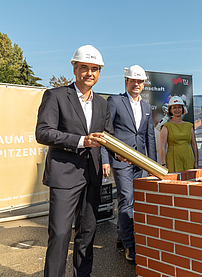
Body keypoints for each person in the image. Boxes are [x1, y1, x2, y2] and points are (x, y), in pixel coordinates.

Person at [35, 45, 115, 277]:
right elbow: (43, 132)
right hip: (64, 176)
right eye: (84, 68)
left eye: (94, 69)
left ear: (99, 72)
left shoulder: (102, 103)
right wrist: (81, 141)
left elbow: (107, 138)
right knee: (60, 234)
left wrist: (119, 154)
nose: (89, 73)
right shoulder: (56, 96)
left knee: (87, 234)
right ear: (74, 68)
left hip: (92, 175)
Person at [101, 65, 157, 264]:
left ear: (143, 84)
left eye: (140, 81)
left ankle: (120, 235)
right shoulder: (115, 101)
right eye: (133, 80)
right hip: (121, 160)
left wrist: (153, 166)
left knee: (128, 201)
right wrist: (106, 159)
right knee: (127, 198)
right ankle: (130, 246)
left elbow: (149, 137)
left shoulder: (147, 107)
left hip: (139, 162)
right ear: (126, 81)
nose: (136, 84)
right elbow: (105, 132)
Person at [160, 96, 198, 172]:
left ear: (183, 109)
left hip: (188, 159)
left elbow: (194, 144)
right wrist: (163, 164)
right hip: (173, 160)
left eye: (179, 107)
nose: (177, 110)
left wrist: (196, 161)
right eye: (174, 108)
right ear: (170, 110)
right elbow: (163, 147)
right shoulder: (166, 126)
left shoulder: (189, 126)